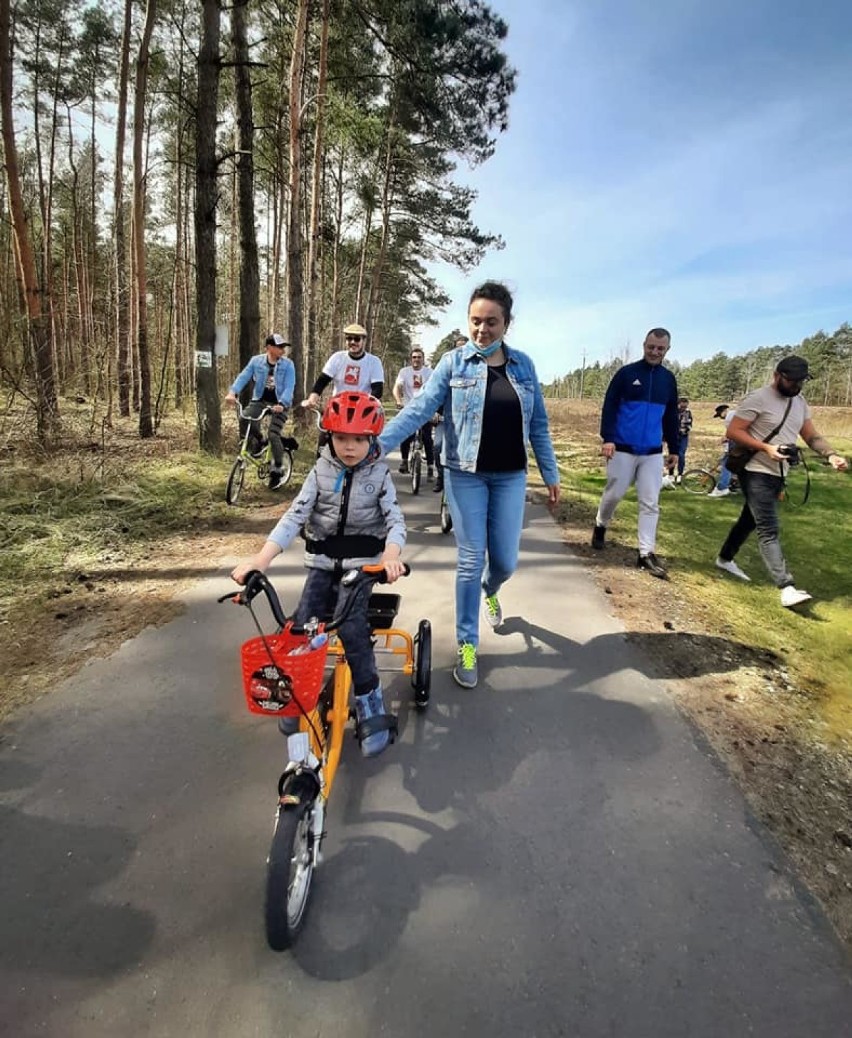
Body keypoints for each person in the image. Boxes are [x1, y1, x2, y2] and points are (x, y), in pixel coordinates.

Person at [378, 281, 560, 689]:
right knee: (470, 557)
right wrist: (378, 445)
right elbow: (420, 409)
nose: (482, 330)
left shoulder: (524, 366)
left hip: (511, 476)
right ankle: (467, 643)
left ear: (506, 324)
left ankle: (490, 590)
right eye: (475, 321)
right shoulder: (453, 363)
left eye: (491, 322)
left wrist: (551, 473)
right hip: (465, 473)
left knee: (506, 563)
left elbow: (540, 426)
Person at [231, 391, 406, 757]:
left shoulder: (379, 472)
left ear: (371, 438)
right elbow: (295, 516)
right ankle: (295, 693)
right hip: (322, 563)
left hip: (361, 568)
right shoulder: (321, 469)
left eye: (358, 439)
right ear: (329, 436)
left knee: (353, 627)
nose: (349, 447)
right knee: (299, 627)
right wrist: (260, 561)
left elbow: (394, 520)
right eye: (341, 438)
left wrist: (390, 556)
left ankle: (369, 698)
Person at [714, 356, 848, 606]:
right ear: (777, 375)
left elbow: (811, 435)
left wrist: (831, 455)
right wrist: (766, 447)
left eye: (800, 382)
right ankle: (786, 587)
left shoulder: (800, 403)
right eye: (791, 380)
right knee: (768, 527)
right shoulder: (758, 398)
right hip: (754, 469)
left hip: (779, 472)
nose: (796, 386)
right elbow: (733, 432)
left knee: (749, 520)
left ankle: (724, 558)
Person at [591, 328, 679, 579]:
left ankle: (645, 553)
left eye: (660, 349)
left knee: (650, 502)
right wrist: (607, 438)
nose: (654, 352)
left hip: (652, 451)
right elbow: (610, 406)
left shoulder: (667, 380)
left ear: (667, 350)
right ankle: (600, 524)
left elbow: (671, 415)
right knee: (614, 493)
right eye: (651, 347)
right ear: (644, 345)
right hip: (622, 447)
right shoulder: (626, 374)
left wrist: (674, 449)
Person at [225, 333, 296, 490]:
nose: (283, 350)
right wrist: (232, 392)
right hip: (260, 401)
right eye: (280, 347)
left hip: (280, 404)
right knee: (245, 417)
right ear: (270, 348)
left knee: (273, 434)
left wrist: (282, 404)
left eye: (284, 347)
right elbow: (243, 377)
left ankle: (277, 470)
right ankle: (259, 440)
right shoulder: (256, 361)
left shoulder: (288, 364)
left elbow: (290, 386)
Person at [303, 322, 384, 407]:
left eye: (357, 339)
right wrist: (312, 399)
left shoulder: (374, 362)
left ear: (363, 341)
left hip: (363, 408)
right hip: (338, 407)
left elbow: (377, 390)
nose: (352, 342)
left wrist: (367, 404)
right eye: (349, 338)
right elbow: (322, 381)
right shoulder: (337, 358)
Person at [432, 336, 468, 493]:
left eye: (464, 347)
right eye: (458, 347)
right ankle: (441, 477)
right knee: (438, 446)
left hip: (465, 422)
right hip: (443, 419)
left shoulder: (476, 371)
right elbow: (433, 395)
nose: (461, 351)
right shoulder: (446, 368)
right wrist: (433, 412)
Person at [392, 347, 435, 478]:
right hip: (408, 407)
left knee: (427, 438)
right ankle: (404, 461)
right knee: (405, 435)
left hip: (425, 408)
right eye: (414, 357)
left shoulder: (429, 372)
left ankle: (430, 467)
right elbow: (397, 387)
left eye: (419, 357)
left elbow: (435, 389)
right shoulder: (404, 372)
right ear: (411, 359)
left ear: (423, 359)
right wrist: (399, 401)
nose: (416, 359)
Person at [708, 403, 734, 497]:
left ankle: (722, 488)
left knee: (726, 466)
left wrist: (724, 440)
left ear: (724, 411)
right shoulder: (736, 414)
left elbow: (731, 434)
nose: (720, 418)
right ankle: (733, 485)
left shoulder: (729, 418)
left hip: (735, 445)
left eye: (720, 415)